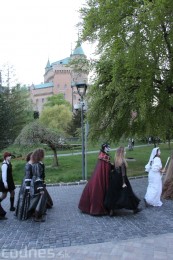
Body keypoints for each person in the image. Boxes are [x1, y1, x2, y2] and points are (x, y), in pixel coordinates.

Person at [104, 146, 141, 216]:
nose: (125, 152)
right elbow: (123, 173)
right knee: (128, 193)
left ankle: (111, 210)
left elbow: (114, 169)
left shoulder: (116, 160)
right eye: (124, 151)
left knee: (114, 194)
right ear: (121, 153)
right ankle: (134, 208)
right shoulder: (122, 161)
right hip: (122, 179)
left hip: (114, 179)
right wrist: (124, 183)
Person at [78, 143, 112, 216]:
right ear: (104, 148)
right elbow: (105, 168)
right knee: (98, 190)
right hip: (100, 176)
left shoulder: (102, 155)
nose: (109, 148)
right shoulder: (104, 156)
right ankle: (97, 209)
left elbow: (106, 167)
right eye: (108, 147)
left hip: (98, 176)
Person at [27, 148, 47, 222]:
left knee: (40, 200)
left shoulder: (39, 163)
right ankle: (36, 216)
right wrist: (40, 188)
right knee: (37, 201)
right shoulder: (36, 165)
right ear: (40, 155)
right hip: (36, 185)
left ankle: (37, 214)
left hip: (39, 183)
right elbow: (37, 177)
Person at [15, 152, 33, 220]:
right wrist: (28, 187)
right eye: (32, 156)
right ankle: (23, 214)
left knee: (29, 198)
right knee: (25, 197)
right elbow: (28, 176)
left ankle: (30, 211)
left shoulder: (31, 164)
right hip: (26, 183)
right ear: (30, 157)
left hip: (29, 182)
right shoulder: (28, 165)